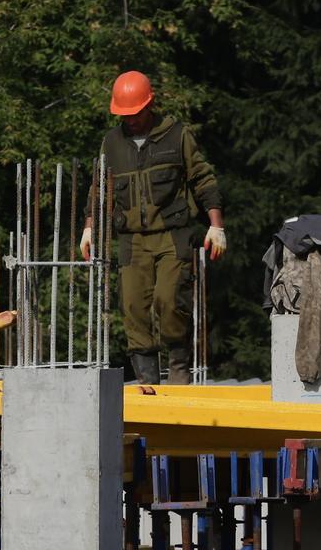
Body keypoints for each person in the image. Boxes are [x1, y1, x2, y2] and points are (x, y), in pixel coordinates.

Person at [80, 71, 224, 385]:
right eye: (124, 115)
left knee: (169, 300)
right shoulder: (112, 143)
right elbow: (99, 189)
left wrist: (216, 226)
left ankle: (177, 368)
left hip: (172, 234)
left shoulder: (176, 135)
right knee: (132, 305)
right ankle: (147, 380)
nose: (130, 120)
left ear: (150, 104)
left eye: (135, 113)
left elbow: (202, 178)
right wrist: (89, 228)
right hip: (132, 240)